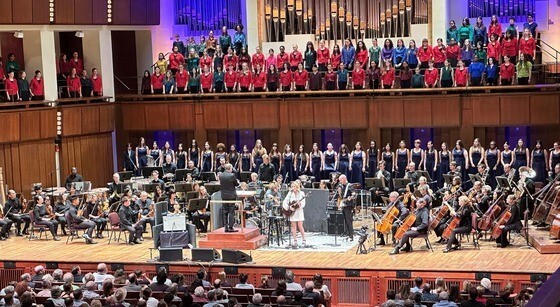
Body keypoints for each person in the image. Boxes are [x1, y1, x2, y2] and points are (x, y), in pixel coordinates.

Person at [283, 181, 307, 247]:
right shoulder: (290, 193)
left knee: (300, 226)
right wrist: (289, 207)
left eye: (294, 186)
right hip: (292, 212)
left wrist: (299, 205)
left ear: (297, 187)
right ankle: (295, 240)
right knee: (293, 226)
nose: (293, 188)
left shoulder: (302, 193)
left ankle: (304, 239)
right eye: (292, 186)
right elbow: (285, 201)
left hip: (299, 211)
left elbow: (303, 203)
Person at [219, 163, 238, 232]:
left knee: (225, 211)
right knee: (231, 212)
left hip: (224, 195)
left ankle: (226, 227)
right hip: (231, 196)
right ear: (230, 168)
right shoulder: (232, 175)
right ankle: (231, 227)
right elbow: (236, 184)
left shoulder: (220, 175)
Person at [336, 175, 356, 241]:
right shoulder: (341, 186)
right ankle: (348, 234)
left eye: (341, 180)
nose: (340, 182)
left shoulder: (350, 186)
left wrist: (351, 197)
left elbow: (354, 194)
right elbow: (341, 195)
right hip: (344, 205)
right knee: (346, 221)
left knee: (349, 221)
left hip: (349, 206)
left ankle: (351, 236)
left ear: (344, 179)